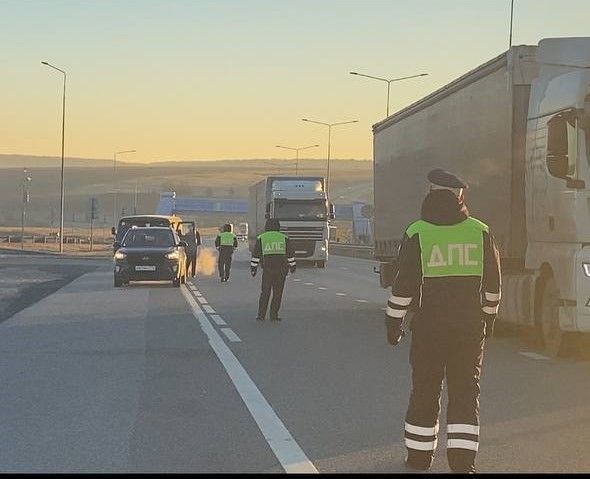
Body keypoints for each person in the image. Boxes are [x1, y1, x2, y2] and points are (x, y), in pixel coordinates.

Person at [385, 169, 501, 473]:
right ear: (460, 196)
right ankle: (463, 464)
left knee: (425, 389)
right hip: (468, 330)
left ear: (430, 192)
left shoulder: (417, 232)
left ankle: (419, 458)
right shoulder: (480, 231)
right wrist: (488, 320)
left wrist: (393, 323)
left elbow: (403, 286)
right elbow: (493, 286)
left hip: (428, 330)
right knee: (465, 392)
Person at [250, 218, 296, 321]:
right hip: (281, 270)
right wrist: (293, 266)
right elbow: (290, 254)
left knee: (265, 292)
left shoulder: (262, 237)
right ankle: (274, 315)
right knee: (277, 293)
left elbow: (256, 255)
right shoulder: (284, 238)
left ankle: (261, 315)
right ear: (278, 226)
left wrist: (253, 268)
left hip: (268, 270)